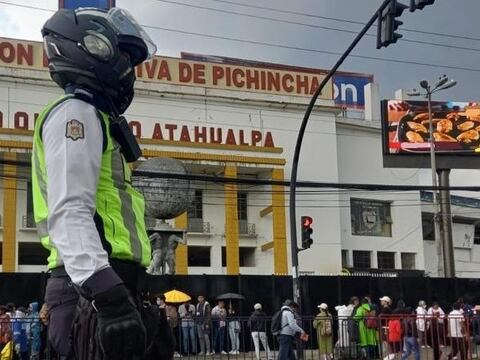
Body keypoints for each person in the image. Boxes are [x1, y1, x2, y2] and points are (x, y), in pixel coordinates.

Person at [35, 6, 159, 360]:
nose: (127, 70)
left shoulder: (98, 118)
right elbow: (70, 211)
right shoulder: (77, 112)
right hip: (91, 290)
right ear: (91, 47)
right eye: (121, 55)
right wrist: (109, 298)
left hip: (104, 285)